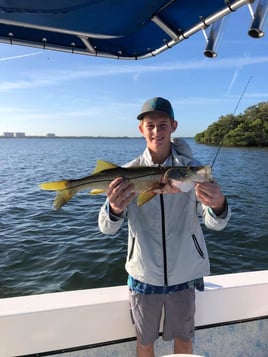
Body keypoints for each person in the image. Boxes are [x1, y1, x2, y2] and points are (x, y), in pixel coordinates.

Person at [98, 97, 231, 356]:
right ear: (141, 130)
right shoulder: (126, 173)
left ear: (173, 126)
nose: (157, 132)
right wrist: (113, 209)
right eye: (150, 126)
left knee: (183, 339)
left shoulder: (192, 173)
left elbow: (215, 223)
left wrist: (218, 204)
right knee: (145, 341)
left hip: (184, 274)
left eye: (162, 125)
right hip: (144, 274)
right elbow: (106, 228)